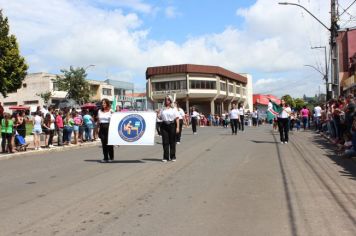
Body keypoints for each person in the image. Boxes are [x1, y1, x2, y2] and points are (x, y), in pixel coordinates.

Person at [159, 96, 179, 162]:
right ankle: (166, 157)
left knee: (172, 141)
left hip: (172, 125)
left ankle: (173, 156)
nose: (166, 101)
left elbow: (177, 118)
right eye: (165, 99)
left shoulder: (174, 108)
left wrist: (178, 127)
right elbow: (160, 118)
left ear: (170, 101)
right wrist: (157, 114)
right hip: (164, 125)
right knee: (165, 142)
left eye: (168, 99)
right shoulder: (163, 109)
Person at [98, 98, 114, 162]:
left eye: (104, 103)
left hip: (109, 127)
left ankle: (111, 157)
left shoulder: (111, 110)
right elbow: (99, 120)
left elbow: (115, 119)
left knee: (109, 143)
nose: (103, 104)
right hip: (102, 127)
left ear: (107, 103)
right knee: (103, 144)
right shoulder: (99, 111)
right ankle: (105, 157)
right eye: (102, 103)